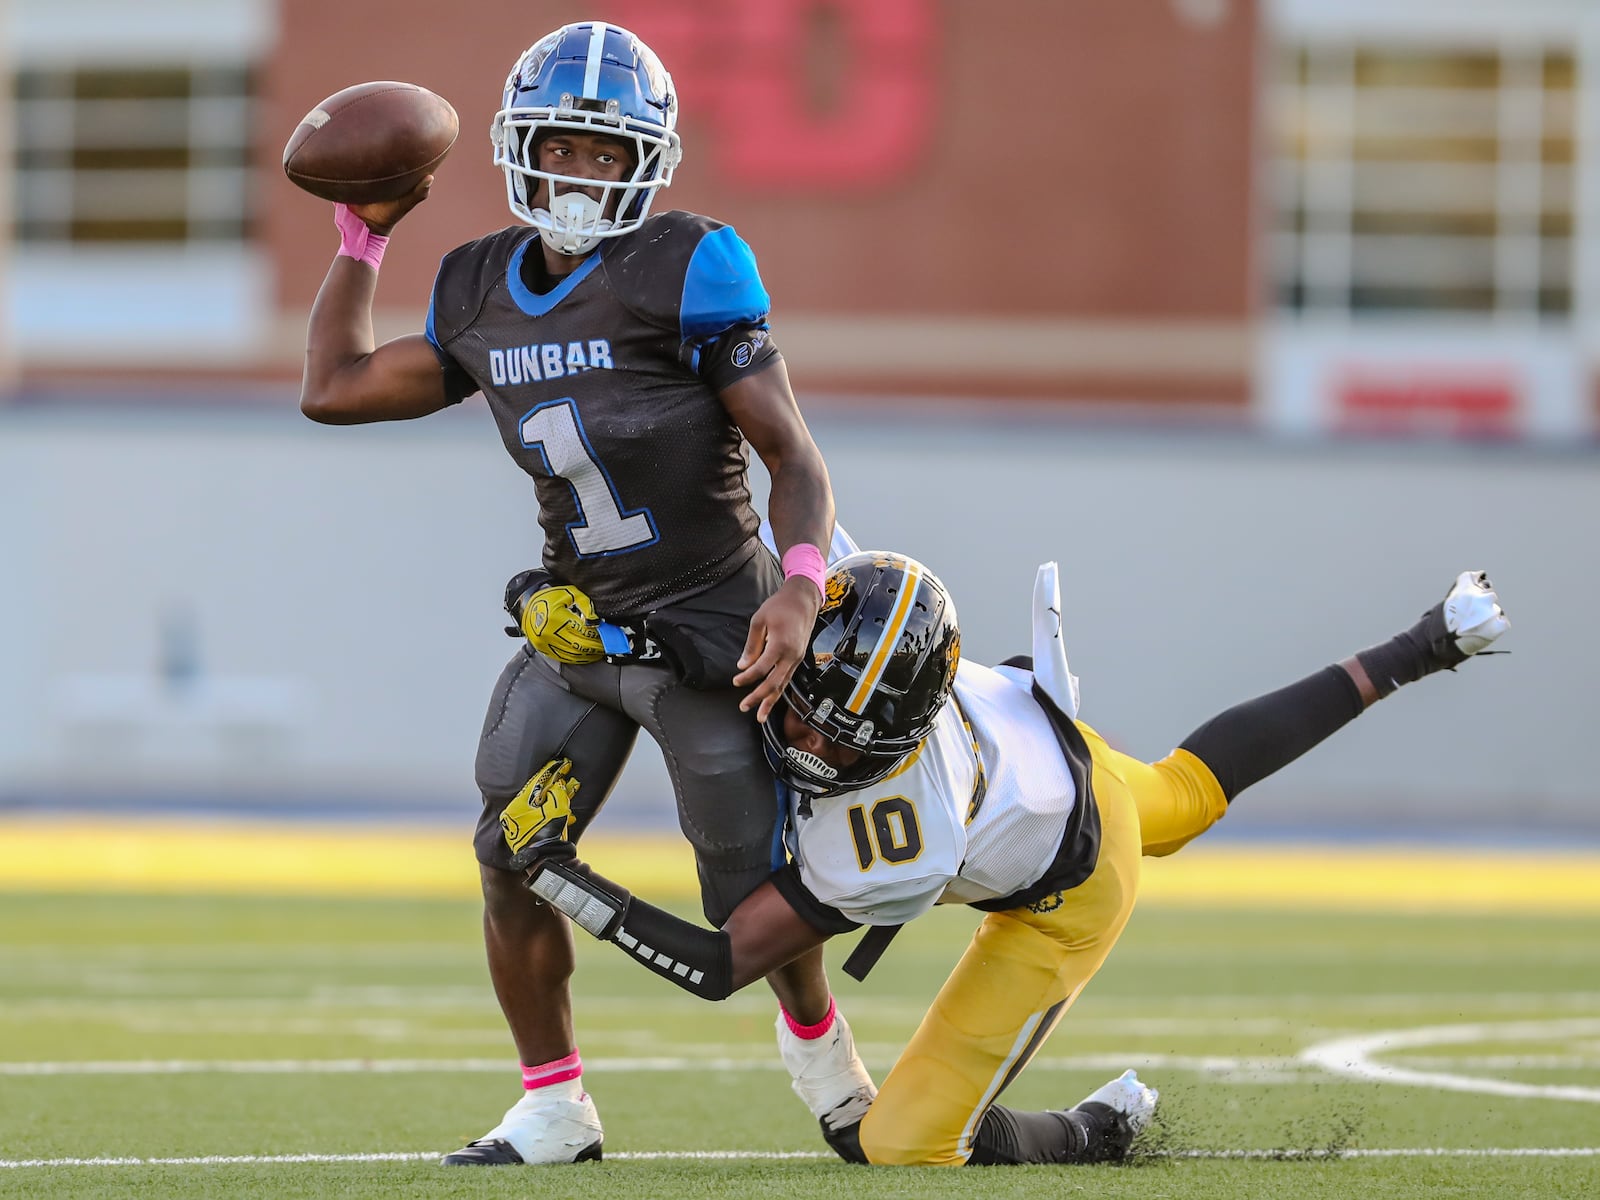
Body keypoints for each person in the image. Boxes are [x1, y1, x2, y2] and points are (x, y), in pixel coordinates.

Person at [297, 21, 871, 1165]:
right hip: (580, 628)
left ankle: (823, 1056)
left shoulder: (689, 265)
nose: (579, 170)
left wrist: (801, 586)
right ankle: (554, 1105)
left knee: (747, 894)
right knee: (508, 852)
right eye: (562, 145)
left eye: (606, 152)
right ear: (522, 147)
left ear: (645, 162)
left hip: (711, 627)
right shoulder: (477, 287)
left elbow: (793, 457)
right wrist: (363, 236)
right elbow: (336, 386)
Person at [510, 553, 1511, 1166]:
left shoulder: (901, 840)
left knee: (901, 1145)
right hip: (1055, 747)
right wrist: (597, 621)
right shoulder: (842, 610)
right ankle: (1424, 644)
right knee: (1190, 789)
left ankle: (1093, 1132)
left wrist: (555, 870)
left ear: (898, 740)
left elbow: (723, 964)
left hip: (1070, 883)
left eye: (841, 746)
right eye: (808, 716)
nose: (806, 747)